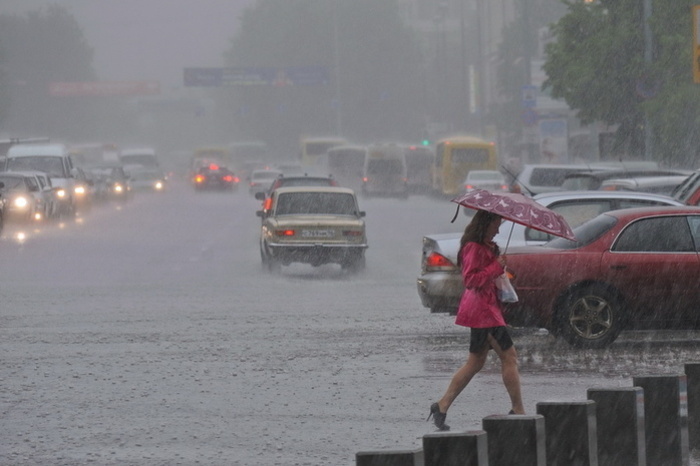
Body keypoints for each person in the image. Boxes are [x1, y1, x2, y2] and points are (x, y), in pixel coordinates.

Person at [427, 209, 525, 431]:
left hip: (486, 309)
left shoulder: (485, 247)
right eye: (496, 224)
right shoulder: (473, 247)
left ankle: (441, 406)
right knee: (509, 357)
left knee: (475, 362)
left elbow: (485, 274)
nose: (499, 229)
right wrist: (496, 266)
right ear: (486, 224)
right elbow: (471, 280)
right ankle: (518, 409)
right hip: (483, 312)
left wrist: (497, 265)